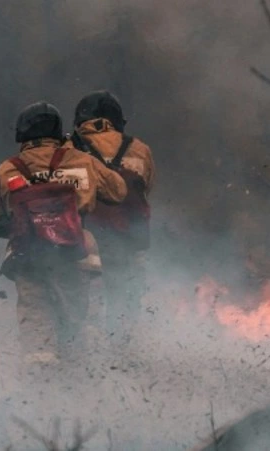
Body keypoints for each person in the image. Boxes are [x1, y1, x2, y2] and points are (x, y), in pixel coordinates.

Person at [0, 101, 127, 365]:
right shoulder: (82, 160)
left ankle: (43, 388)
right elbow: (118, 191)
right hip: (77, 253)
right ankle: (85, 382)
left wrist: (28, 227)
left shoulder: (7, 169)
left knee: (37, 320)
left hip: (29, 255)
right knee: (80, 319)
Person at [69, 90, 155, 346]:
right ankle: (121, 358)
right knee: (124, 303)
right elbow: (146, 189)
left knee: (83, 303)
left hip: (81, 240)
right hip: (127, 239)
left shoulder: (67, 149)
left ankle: (82, 360)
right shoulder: (140, 150)